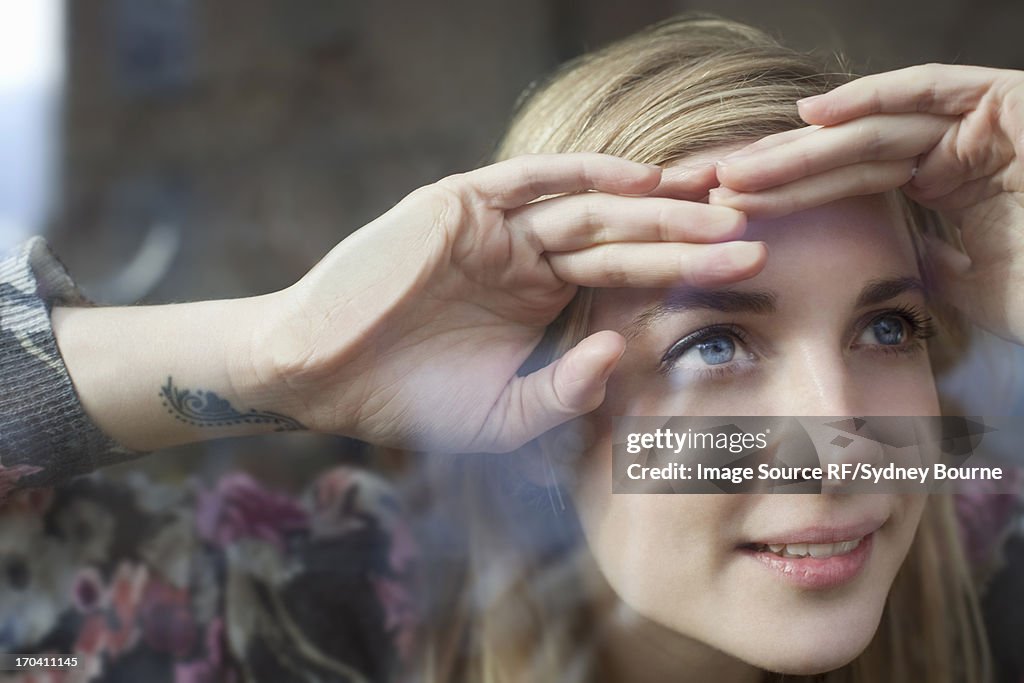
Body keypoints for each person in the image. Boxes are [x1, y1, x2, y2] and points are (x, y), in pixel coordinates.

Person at [1, 12, 1022, 683]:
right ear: (538, 404)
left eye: (888, 325)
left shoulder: (980, 553)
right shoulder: (315, 604)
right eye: (714, 342)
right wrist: (283, 353)